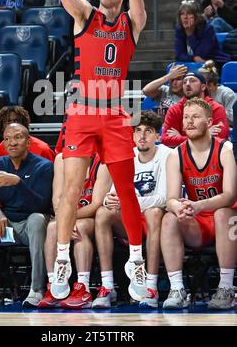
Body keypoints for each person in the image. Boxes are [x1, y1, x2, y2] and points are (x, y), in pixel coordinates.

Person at [50, 0, 147, 302]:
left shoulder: (131, 22)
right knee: (70, 191)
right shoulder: (84, 15)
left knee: (126, 191)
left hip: (115, 116)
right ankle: (61, 260)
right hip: (82, 114)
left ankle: (136, 261)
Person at [161, 97, 237, 310]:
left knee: (222, 213)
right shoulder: (176, 155)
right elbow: (171, 199)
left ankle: (226, 288)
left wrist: (198, 205)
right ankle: (177, 289)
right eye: (186, 117)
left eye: (195, 117)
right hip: (199, 222)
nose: (189, 122)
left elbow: (230, 196)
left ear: (210, 122)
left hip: (229, 220)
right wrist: (178, 207)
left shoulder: (226, 149)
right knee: (169, 218)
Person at [0, 123, 53, 308]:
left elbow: (43, 205)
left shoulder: (44, 166)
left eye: (17, 137)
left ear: (28, 142)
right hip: (5, 228)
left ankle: (37, 289)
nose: (12, 143)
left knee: (38, 219)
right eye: (7, 139)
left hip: (30, 228)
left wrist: (18, 183)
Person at [92, 111, 171, 309]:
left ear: (157, 136)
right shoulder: (125, 154)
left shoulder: (168, 154)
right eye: (137, 131)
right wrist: (109, 199)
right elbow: (113, 193)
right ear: (131, 134)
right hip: (128, 219)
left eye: (148, 131)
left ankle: (150, 286)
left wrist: (128, 202)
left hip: (154, 221)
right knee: (102, 213)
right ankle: (107, 286)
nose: (142, 136)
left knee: (154, 212)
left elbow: (163, 198)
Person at [38, 152, 111, 309]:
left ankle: (83, 288)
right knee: (52, 227)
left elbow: (96, 203)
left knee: (80, 227)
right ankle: (54, 286)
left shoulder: (103, 160)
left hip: (90, 217)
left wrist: (69, 219)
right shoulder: (61, 159)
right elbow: (57, 200)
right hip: (67, 215)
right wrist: (65, 219)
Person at [161, 71, 230, 147]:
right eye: (184, 82)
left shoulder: (216, 108)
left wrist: (180, 138)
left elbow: (219, 138)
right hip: (183, 155)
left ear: (203, 87)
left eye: (192, 81)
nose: (187, 84)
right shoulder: (175, 110)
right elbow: (165, 140)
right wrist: (205, 136)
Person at [175, 0, 231, 64]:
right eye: (182, 14)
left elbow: (202, 55)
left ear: (196, 16)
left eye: (189, 13)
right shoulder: (179, 28)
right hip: (193, 63)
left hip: (214, 62)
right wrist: (194, 58)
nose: (185, 17)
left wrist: (190, 34)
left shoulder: (207, 29)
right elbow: (179, 55)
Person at [198, 60, 236, 126]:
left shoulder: (227, 94)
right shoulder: (198, 93)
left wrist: (215, 110)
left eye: (201, 82)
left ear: (211, 85)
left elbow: (233, 119)